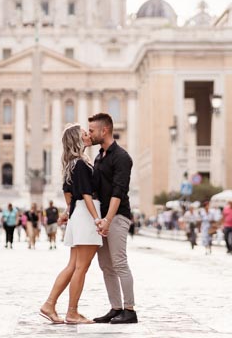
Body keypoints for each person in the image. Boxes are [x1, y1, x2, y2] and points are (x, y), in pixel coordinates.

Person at [40, 124, 104, 325]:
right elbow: (85, 194)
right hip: (86, 215)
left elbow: (69, 196)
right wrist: (96, 218)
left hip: (78, 215)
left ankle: (49, 304)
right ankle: (72, 312)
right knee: (81, 268)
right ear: (77, 140)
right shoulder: (82, 165)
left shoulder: (71, 165)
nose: (88, 135)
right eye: (84, 133)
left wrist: (68, 213)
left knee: (73, 266)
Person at [89, 113, 137, 325]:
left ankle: (129, 309)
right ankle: (115, 307)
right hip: (103, 218)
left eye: (92, 131)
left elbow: (119, 191)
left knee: (119, 263)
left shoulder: (122, 157)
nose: (89, 134)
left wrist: (108, 219)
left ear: (104, 130)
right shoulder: (99, 157)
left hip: (117, 216)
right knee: (106, 266)